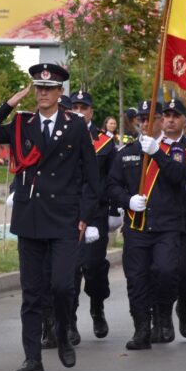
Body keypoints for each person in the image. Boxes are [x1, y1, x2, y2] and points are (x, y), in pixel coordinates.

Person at [0, 63, 100, 371]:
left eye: (49, 88)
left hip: (64, 218)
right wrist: (10, 103)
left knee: (60, 286)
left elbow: (92, 179)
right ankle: (32, 357)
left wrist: (85, 217)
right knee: (32, 292)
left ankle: (62, 333)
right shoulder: (21, 124)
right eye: (39, 88)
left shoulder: (75, 126)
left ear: (60, 92)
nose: (43, 93)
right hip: (30, 217)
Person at [107, 98, 186, 349]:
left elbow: (179, 178)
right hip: (137, 227)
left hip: (166, 226)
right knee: (137, 279)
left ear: (160, 121)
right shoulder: (127, 153)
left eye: (149, 118)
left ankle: (163, 313)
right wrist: (127, 200)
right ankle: (141, 327)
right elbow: (111, 185)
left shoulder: (175, 151)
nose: (143, 123)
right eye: (140, 119)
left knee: (165, 272)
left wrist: (156, 153)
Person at [70, 90, 116, 341]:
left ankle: (97, 306)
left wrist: (114, 210)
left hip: (96, 214)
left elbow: (111, 179)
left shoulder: (106, 143)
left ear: (91, 112)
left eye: (83, 107)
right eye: (75, 106)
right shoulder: (64, 135)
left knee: (93, 266)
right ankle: (70, 320)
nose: (79, 111)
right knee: (73, 267)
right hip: (69, 211)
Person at [160, 97, 186, 340]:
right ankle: (163, 314)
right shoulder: (152, 147)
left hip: (184, 220)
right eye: (167, 115)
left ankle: (183, 307)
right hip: (161, 220)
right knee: (163, 272)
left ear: (185, 120)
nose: (171, 120)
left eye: (176, 116)